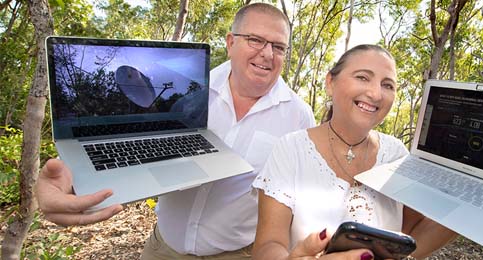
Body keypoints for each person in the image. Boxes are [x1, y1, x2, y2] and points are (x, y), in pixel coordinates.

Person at [35, 3, 316, 259]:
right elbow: (133, 148)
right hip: (161, 248)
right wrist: (73, 181)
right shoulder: (191, 93)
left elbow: (298, 201)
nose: (267, 54)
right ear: (231, 42)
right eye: (255, 39)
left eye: (278, 47)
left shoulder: (299, 116)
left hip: (236, 254)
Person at [250, 44, 483, 260]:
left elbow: (416, 232)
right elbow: (268, 244)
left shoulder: (396, 154)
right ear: (330, 82)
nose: (376, 93)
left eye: (388, 84)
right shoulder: (291, 148)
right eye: (363, 77)